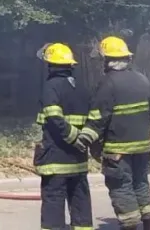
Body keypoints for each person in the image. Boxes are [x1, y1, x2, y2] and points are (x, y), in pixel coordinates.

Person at [76, 36, 150, 230]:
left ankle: (130, 227)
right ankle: (149, 226)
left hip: (117, 151)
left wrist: (83, 140)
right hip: (143, 149)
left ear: (107, 60)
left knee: (122, 189)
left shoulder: (108, 83)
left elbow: (98, 117)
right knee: (141, 184)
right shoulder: (142, 80)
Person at [34, 43, 93, 230]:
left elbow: (54, 117)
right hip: (78, 158)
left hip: (56, 157)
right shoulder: (80, 87)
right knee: (80, 201)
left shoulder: (51, 86)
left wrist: (73, 136)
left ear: (50, 65)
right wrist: (82, 140)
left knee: (53, 201)